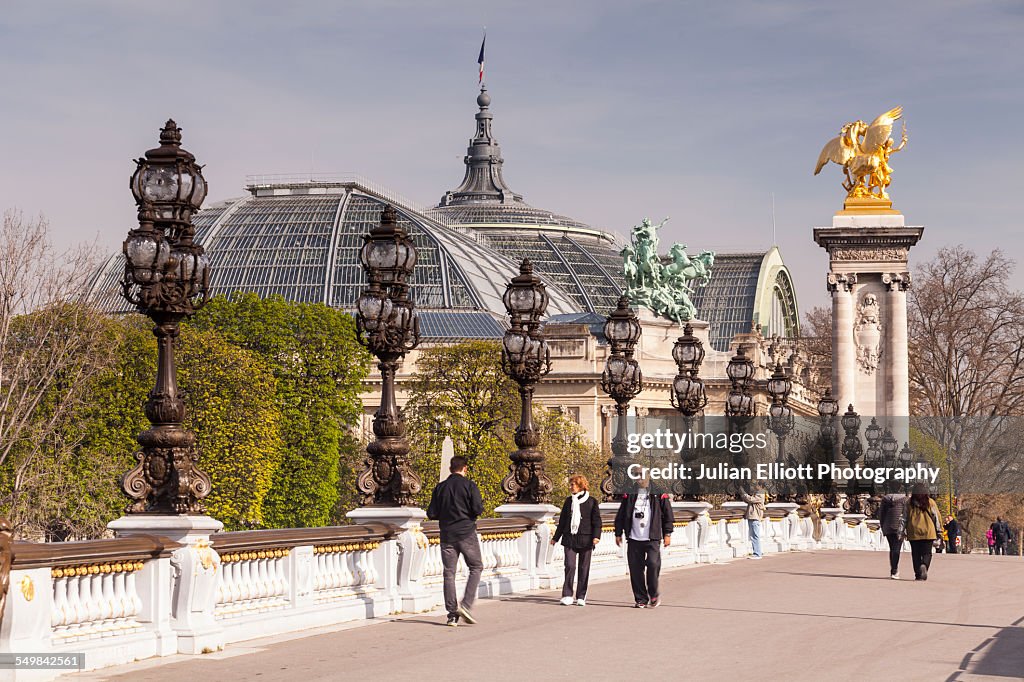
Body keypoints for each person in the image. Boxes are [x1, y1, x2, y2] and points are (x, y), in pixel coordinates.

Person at [426, 455, 484, 627]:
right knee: (476, 566)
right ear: (465, 468)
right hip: (466, 533)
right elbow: (477, 509)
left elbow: (431, 513)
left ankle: (452, 615)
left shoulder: (440, 488)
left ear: (450, 469)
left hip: (447, 535)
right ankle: (465, 605)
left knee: (449, 573)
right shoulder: (469, 486)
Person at [614, 475, 673, 608]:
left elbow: (668, 514)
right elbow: (621, 514)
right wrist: (618, 533)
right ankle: (641, 598)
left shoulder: (659, 493)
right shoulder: (629, 493)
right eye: (636, 475)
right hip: (634, 538)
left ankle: (653, 594)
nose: (638, 478)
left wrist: (667, 533)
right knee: (635, 569)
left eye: (641, 475)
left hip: (652, 537)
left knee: (653, 565)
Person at [551, 475, 602, 606]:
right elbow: (562, 521)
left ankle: (581, 595)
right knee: (570, 566)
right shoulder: (568, 501)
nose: (570, 486)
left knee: (584, 568)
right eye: (570, 484)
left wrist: (596, 536)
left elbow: (597, 521)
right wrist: (555, 538)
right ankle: (567, 594)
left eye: (572, 484)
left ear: (580, 486)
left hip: (586, 539)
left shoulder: (592, 501)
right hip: (570, 538)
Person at [903, 485, 942, 581]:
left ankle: (917, 574)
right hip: (928, 531)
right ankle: (924, 565)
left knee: (915, 554)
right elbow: (936, 517)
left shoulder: (909, 503)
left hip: (913, 531)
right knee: (927, 553)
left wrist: (901, 531)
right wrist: (939, 530)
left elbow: (903, 518)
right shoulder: (931, 502)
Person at [878, 490, 909, 579]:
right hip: (899, 527)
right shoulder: (905, 499)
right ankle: (894, 570)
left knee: (892, 548)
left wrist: (883, 525)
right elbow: (906, 515)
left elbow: (881, 514)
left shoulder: (885, 499)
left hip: (888, 526)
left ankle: (893, 569)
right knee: (896, 549)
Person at [740, 481, 766, 559]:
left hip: (755, 517)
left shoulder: (760, 493)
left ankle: (757, 553)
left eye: (756, 485)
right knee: (753, 535)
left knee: (755, 535)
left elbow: (750, 499)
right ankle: (757, 552)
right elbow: (748, 500)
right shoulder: (757, 493)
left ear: (760, 486)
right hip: (752, 516)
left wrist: (743, 492)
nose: (755, 486)